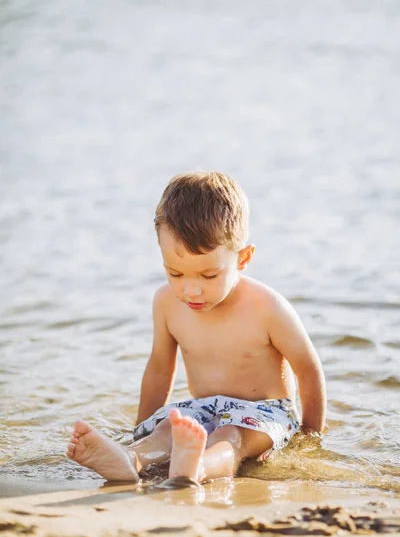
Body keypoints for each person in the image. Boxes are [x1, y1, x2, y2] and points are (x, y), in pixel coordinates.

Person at [67, 172, 326, 488]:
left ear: (243, 259)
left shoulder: (267, 307)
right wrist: (141, 425)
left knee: (229, 437)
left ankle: (196, 466)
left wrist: (310, 439)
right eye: (175, 273)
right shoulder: (165, 302)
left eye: (208, 275)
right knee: (169, 429)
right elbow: (160, 369)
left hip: (266, 413)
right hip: (203, 407)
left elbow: (308, 370)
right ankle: (130, 458)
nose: (191, 291)